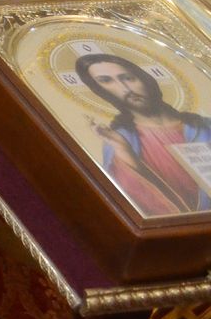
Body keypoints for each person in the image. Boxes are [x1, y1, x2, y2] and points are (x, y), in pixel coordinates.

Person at [77, 53, 211, 215]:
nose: (126, 88)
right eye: (106, 81)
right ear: (101, 91)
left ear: (145, 79)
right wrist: (124, 151)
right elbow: (128, 204)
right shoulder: (121, 141)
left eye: (128, 78)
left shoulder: (204, 126)